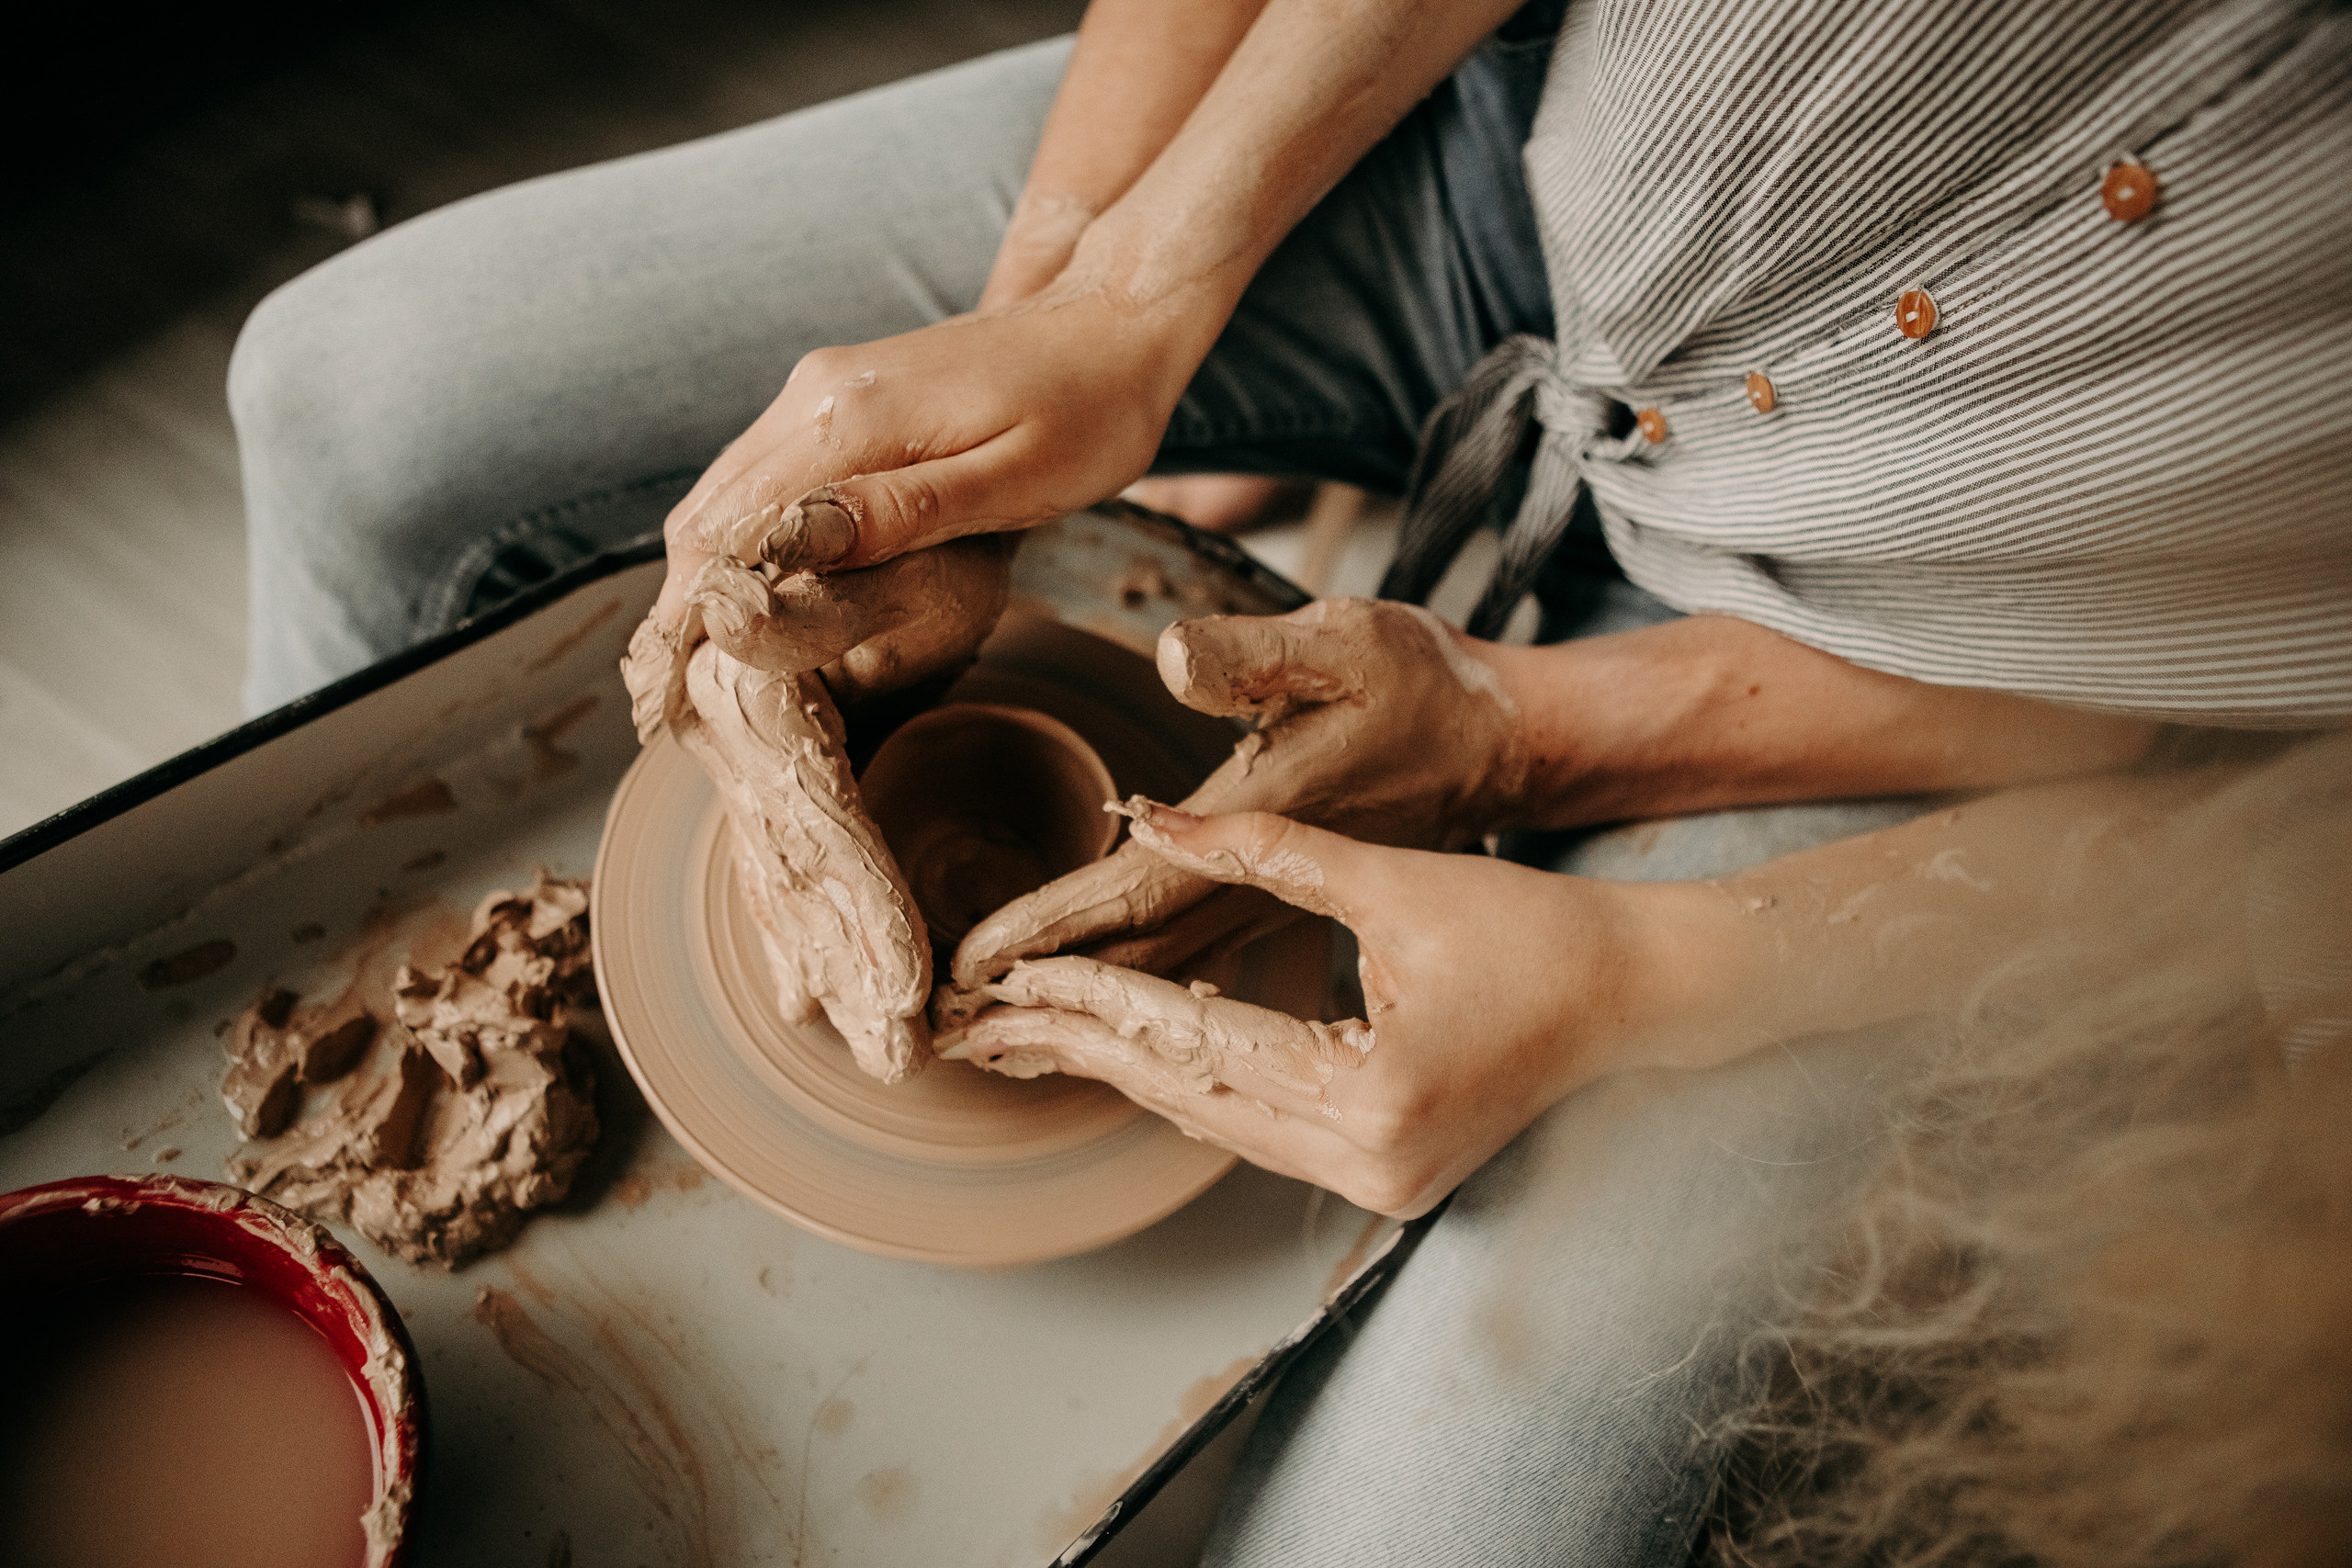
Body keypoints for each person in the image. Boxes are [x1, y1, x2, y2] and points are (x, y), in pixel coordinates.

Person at [230, 0, 2351, 1559]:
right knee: (356, 403)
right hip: (1496, 152)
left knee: (1431, 1532)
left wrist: (1607, 895)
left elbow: (2270, 839)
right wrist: (1094, 297)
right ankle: (319, 1156)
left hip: (1965, 677)